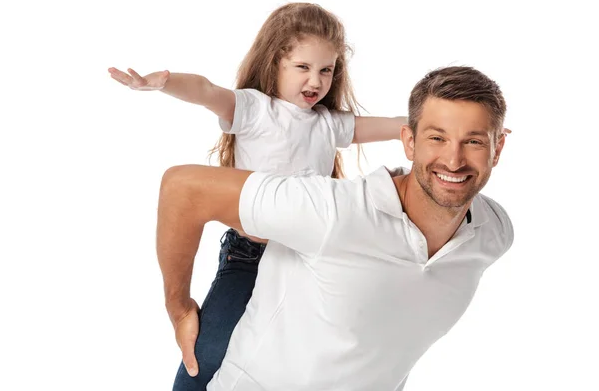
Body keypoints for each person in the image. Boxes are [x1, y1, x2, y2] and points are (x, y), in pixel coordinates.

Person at [108, 2, 408, 390]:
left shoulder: (329, 125)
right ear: (276, 62)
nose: (315, 80)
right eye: (303, 67)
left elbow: (397, 125)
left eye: (326, 70)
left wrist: (445, 127)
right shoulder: (254, 109)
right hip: (249, 255)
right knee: (210, 353)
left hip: (308, 259)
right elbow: (204, 90)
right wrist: (163, 83)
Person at [156, 65, 514, 390]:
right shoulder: (334, 212)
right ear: (409, 141)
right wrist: (180, 307)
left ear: (497, 147)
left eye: (474, 141)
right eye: (437, 137)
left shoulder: (493, 232)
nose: (454, 159)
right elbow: (183, 189)